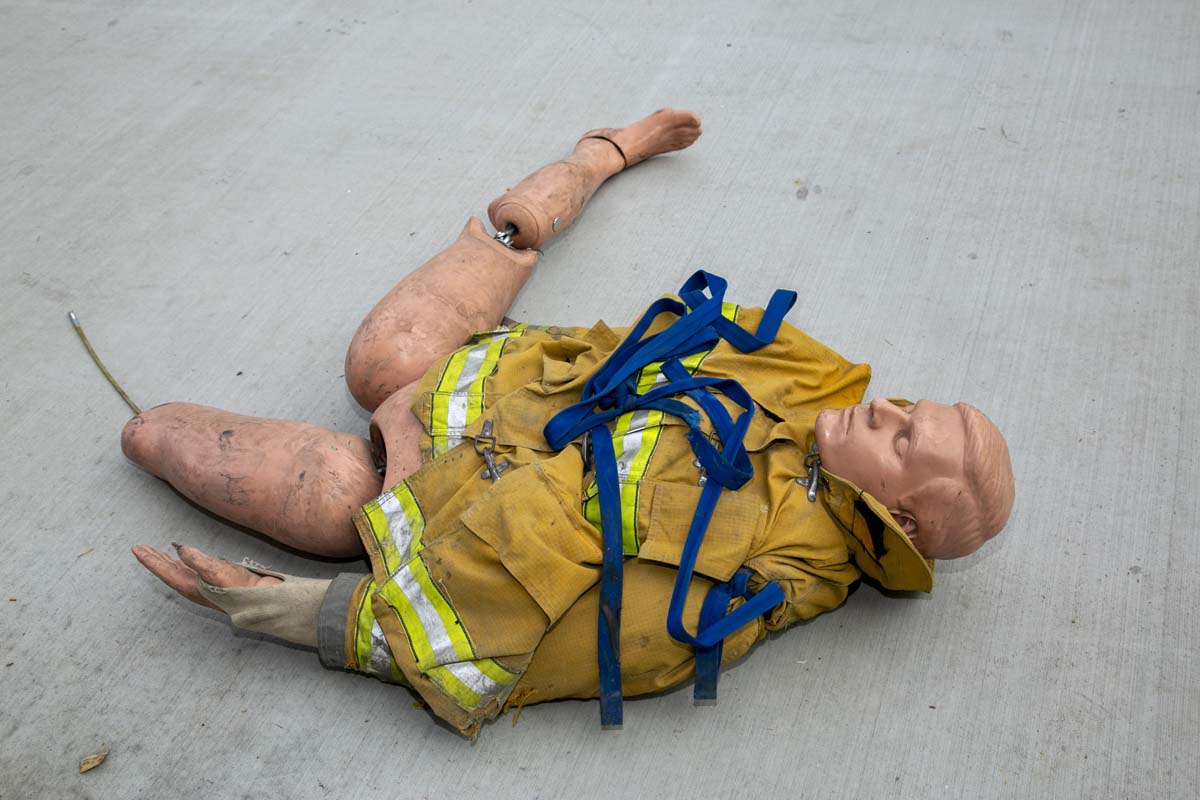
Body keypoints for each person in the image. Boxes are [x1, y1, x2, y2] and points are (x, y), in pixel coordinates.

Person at [123, 109, 1014, 736]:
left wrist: (309, 614)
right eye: (910, 406)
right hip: (512, 400)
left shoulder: (773, 574)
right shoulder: (817, 377)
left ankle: (150, 429)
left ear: (898, 519)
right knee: (382, 362)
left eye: (904, 439)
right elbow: (643, 337)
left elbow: (612, 645)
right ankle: (596, 158)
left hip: (460, 517)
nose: (885, 409)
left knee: (325, 501)